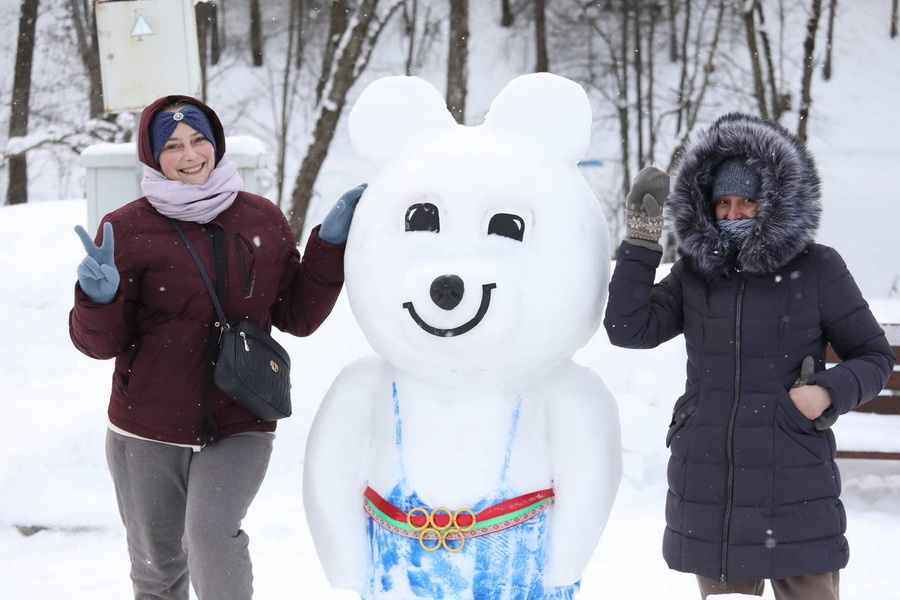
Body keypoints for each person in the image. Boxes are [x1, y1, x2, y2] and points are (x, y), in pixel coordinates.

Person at [69, 94, 365, 600]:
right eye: (174, 146)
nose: (190, 155)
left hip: (241, 415)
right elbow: (102, 345)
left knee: (210, 538)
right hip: (147, 427)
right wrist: (98, 300)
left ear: (217, 143)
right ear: (152, 156)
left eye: (199, 139)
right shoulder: (127, 229)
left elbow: (295, 315)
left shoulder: (261, 220)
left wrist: (328, 248)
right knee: (157, 565)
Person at [603, 112, 895, 600]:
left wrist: (826, 393)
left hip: (794, 480)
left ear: (775, 204)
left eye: (747, 203)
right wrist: (640, 243)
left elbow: (873, 356)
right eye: (724, 203)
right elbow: (628, 329)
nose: (734, 213)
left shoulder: (818, 268)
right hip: (712, 482)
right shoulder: (696, 272)